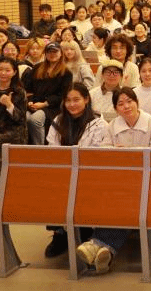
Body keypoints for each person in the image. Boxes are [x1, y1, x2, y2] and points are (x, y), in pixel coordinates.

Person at [74, 87, 151, 274]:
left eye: (129, 101)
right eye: (121, 104)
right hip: (121, 181)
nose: (126, 106)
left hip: (148, 181)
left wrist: (130, 152)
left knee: (127, 201)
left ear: (137, 102)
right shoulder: (113, 125)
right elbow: (105, 152)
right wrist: (115, 151)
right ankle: (106, 251)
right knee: (114, 197)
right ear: (115, 108)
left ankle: (96, 243)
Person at [43, 83, 110, 257]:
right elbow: (52, 148)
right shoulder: (59, 121)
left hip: (89, 174)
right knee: (53, 185)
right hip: (63, 172)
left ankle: (83, 229)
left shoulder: (98, 123)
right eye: (68, 100)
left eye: (76, 100)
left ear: (86, 99)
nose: (72, 104)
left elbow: (97, 155)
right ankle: (60, 233)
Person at [0, 58, 28, 207]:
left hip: (14, 131)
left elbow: (20, 118)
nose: (3, 73)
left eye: (7, 70)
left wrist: (9, 104)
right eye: (0, 69)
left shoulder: (18, 92)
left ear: (14, 72)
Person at [23, 41, 73, 145]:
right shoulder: (37, 68)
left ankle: (39, 147)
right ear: (45, 54)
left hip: (52, 107)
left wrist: (44, 104)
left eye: (55, 52)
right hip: (33, 104)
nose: (52, 54)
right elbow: (28, 88)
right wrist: (30, 102)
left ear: (61, 53)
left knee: (35, 120)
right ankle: (25, 146)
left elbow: (63, 95)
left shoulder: (66, 72)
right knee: (24, 118)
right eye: (49, 52)